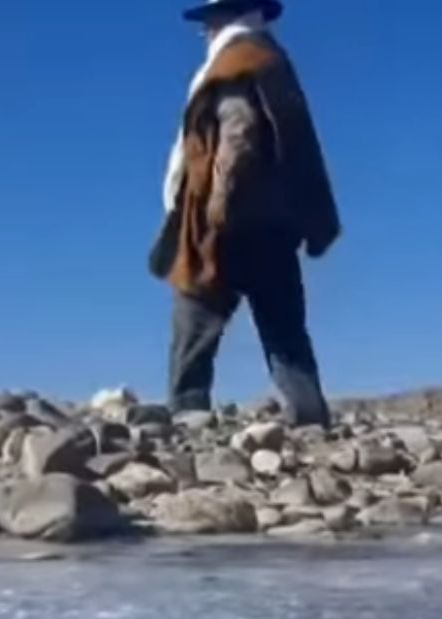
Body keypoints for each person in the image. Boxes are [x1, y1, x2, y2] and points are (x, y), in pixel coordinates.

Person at [149, 0, 341, 427]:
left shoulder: (237, 62)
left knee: (194, 313)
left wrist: (218, 207)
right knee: (283, 324)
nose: (204, 31)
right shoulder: (272, 61)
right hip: (276, 221)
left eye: (209, 20)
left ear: (225, 17)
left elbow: (239, 132)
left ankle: (187, 413)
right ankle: (309, 417)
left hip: (231, 220)